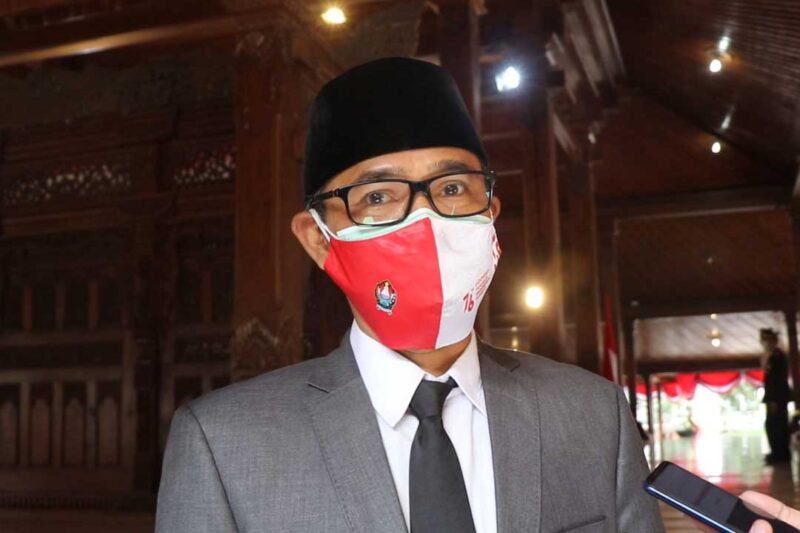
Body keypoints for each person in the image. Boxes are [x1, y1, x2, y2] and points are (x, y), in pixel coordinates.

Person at [155, 57, 664, 532]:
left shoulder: (592, 415)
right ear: (319, 239)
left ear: (489, 215)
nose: (425, 219)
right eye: (378, 196)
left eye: (452, 189)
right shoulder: (224, 443)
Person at [760, 328, 792, 464]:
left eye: (767, 340)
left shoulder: (777, 356)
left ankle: (780, 454)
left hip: (777, 397)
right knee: (773, 425)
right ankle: (777, 453)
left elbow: (777, 379)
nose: (764, 343)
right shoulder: (772, 356)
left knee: (777, 425)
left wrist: (773, 399)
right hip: (774, 396)